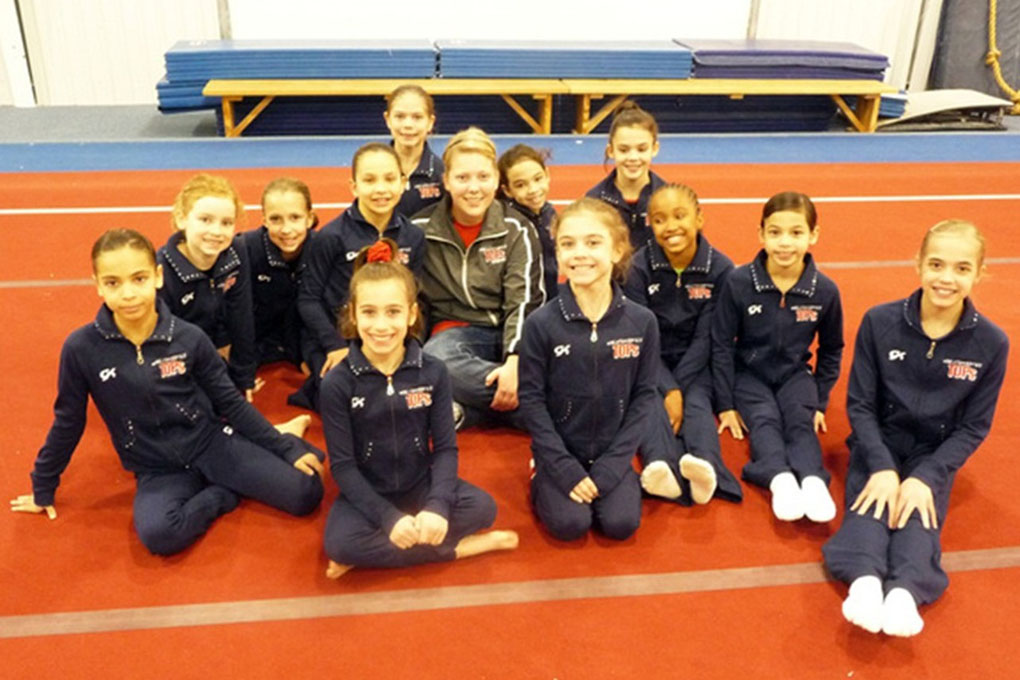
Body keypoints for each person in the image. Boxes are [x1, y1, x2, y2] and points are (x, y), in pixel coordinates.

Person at [9, 229, 325, 556]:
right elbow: (68, 421)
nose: (128, 293)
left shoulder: (189, 338)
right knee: (160, 535)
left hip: (209, 443)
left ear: (158, 277)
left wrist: (285, 451)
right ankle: (225, 492)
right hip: (157, 467)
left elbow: (230, 402)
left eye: (139, 279)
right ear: (98, 285)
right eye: (113, 283)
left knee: (306, 492)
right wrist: (43, 485)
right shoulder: (81, 348)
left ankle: (281, 440)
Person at [823, 220, 1008, 637]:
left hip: (934, 454)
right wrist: (881, 466)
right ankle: (865, 582)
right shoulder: (879, 321)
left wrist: (928, 476)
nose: (946, 278)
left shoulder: (992, 343)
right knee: (870, 506)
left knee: (918, 517)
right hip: (879, 442)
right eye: (936, 264)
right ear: (918, 264)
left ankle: (906, 592)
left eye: (962, 268)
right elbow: (861, 404)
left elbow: (974, 426)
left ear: (979, 273)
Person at [320, 239, 518, 578]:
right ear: (353, 314)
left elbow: (445, 449)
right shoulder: (337, 383)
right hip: (369, 491)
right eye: (369, 312)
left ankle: (378, 552)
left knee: (483, 508)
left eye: (393, 312)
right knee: (340, 544)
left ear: (411, 314)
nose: (381, 326)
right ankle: (456, 549)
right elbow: (343, 467)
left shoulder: (433, 371)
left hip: (419, 484)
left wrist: (437, 506)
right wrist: (388, 518)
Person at [519, 197, 659, 541]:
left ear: (617, 250)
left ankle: (616, 477)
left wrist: (614, 466)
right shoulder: (541, 323)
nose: (579, 254)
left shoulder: (642, 322)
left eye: (593, 243)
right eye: (568, 244)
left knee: (621, 524)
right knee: (571, 525)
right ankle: (541, 474)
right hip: (560, 454)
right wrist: (562, 467)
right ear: (557, 252)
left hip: (613, 454)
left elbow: (644, 397)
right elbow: (532, 401)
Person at [712, 191, 844, 523]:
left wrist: (820, 400)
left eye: (796, 233)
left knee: (800, 420)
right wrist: (725, 404)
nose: (785, 243)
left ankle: (813, 480)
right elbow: (722, 344)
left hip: (795, 373)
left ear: (813, 235)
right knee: (764, 419)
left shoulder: (825, 291)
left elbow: (832, 349)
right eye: (775, 232)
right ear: (761, 234)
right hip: (749, 374)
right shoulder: (739, 282)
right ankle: (778, 478)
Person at [412, 127, 544, 429]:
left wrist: (515, 359)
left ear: (496, 180)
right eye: (462, 178)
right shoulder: (420, 230)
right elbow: (411, 300)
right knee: (435, 361)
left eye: (483, 177)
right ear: (446, 181)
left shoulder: (516, 229)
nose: (474, 188)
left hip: (508, 332)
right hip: (454, 338)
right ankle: (537, 404)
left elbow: (524, 301)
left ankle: (467, 410)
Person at [624, 184, 742, 505]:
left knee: (698, 402)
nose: (671, 226)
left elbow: (708, 336)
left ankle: (706, 466)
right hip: (649, 360)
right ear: (650, 224)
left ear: (699, 218)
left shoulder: (721, 269)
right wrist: (667, 387)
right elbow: (642, 337)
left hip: (697, 360)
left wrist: (678, 387)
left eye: (680, 216)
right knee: (648, 401)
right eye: (659, 220)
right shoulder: (637, 268)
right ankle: (660, 466)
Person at [293, 143, 425, 411]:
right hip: (338, 338)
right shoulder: (331, 237)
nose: (380, 189)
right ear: (354, 187)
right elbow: (308, 299)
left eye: (389, 179)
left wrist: (413, 344)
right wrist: (333, 346)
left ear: (403, 183)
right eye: (369, 180)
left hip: (386, 334)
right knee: (346, 398)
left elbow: (418, 298)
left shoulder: (413, 236)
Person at [157, 173, 257, 401]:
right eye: (205, 220)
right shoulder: (163, 271)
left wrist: (244, 376)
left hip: (212, 345)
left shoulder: (235, 253)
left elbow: (241, 314)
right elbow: (164, 338)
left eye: (226, 223)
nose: (217, 232)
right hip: (176, 353)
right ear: (182, 219)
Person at [234, 177, 317, 371]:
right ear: (264, 220)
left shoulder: (323, 249)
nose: (286, 229)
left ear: (309, 218)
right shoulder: (244, 249)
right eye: (275, 219)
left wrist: (311, 354)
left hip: (304, 343)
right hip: (256, 344)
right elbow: (232, 309)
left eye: (295, 217)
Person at [585, 101, 666, 250]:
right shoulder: (594, 201)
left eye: (642, 149)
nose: (633, 157)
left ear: (654, 149)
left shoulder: (668, 197)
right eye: (623, 150)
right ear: (611, 151)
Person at [498, 143, 558, 299]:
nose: (533, 189)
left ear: (547, 175)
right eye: (520, 185)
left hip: (550, 295)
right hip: (522, 300)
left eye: (537, 179)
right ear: (507, 190)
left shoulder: (549, 213)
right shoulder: (508, 223)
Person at [385, 84, 445, 218]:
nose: (408, 125)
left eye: (417, 117)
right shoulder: (374, 168)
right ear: (388, 120)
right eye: (399, 116)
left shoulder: (441, 173)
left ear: (430, 122)